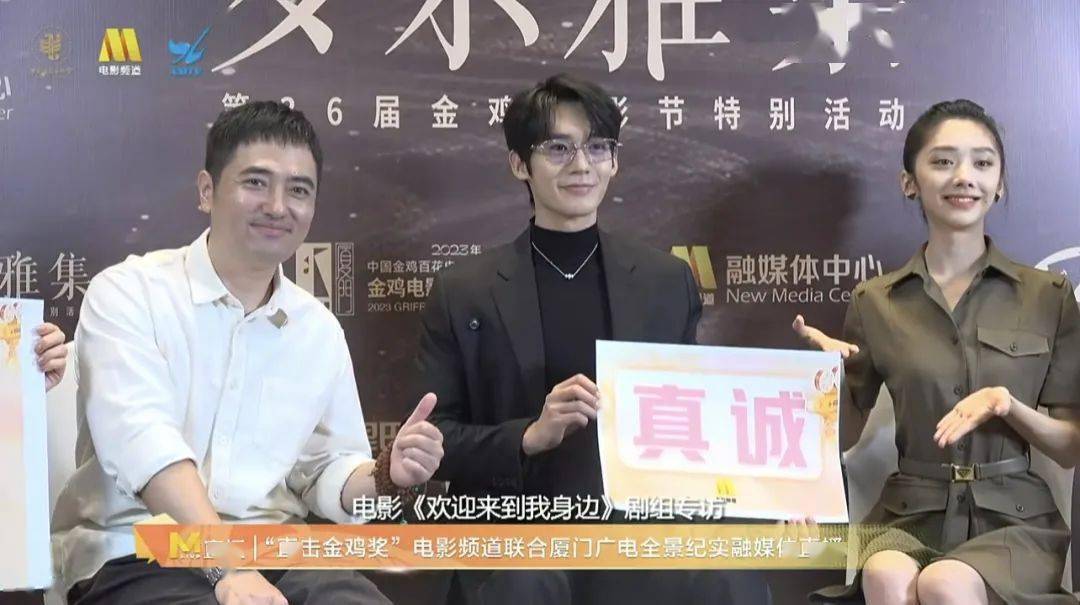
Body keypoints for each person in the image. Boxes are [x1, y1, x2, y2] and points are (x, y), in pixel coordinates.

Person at [52, 101, 445, 605]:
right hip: (139, 554)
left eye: (298, 190)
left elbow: (324, 470)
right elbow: (144, 447)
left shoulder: (317, 329)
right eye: (256, 182)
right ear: (206, 190)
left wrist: (385, 476)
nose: (278, 206)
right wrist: (229, 566)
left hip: (278, 554)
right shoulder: (130, 293)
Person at [414, 74, 757, 604]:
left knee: (729, 578)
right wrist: (529, 435)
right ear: (519, 164)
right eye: (558, 148)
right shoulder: (465, 291)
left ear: (614, 161)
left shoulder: (665, 282)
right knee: (529, 583)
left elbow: (695, 427)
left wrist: (782, 483)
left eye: (598, 147)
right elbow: (435, 440)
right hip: (517, 530)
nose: (582, 165)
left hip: (636, 531)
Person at [795, 99, 1080, 605]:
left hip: (1014, 521)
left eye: (982, 162)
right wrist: (829, 382)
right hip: (910, 512)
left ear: (999, 183)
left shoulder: (1048, 296)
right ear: (910, 182)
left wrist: (1006, 405)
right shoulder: (875, 301)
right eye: (944, 161)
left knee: (945, 583)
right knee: (884, 575)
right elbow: (846, 436)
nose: (964, 176)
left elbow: (1070, 445)